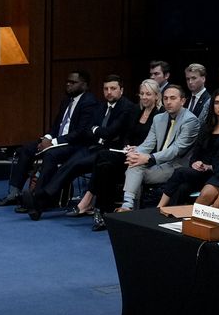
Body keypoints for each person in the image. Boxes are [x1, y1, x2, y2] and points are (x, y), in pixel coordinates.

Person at [24, 75, 137, 217]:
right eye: (106, 89)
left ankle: (39, 200)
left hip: (109, 152)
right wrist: (97, 130)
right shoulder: (102, 106)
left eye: (113, 88)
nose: (109, 92)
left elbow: (110, 132)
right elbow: (88, 130)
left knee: (74, 166)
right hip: (93, 147)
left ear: (121, 90)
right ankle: (40, 201)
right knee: (67, 165)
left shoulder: (127, 107)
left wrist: (96, 130)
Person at [0, 72, 99, 207]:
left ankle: (37, 198)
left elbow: (80, 132)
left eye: (73, 82)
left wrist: (52, 143)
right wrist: (47, 138)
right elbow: (56, 125)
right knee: (27, 149)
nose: (68, 84)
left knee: (51, 154)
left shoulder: (89, 102)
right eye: (67, 81)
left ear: (84, 85)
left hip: (75, 145)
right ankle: (14, 194)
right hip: (57, 141)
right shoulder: (67, 100)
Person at [73, 78, 158, 217]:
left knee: (105, 164)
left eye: (148, 94)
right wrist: (127, 146)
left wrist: (138, 149)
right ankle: (104, 211)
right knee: (104, 159)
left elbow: (156, 142)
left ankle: (95, 206)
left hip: (143, 156)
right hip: (127, 152)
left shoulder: (160, 115)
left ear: (156, 96)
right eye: (142, 94)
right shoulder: (136, 110)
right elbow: (126, 134)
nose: (144, 97)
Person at [118, 83, 199, 212]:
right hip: (159, 163)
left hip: (177, 166)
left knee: (135, 170)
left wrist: (149, 158)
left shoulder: (190, 121)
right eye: (165, 98)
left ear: (183, 101)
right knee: (135, 163)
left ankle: (130, 208)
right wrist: (135, 154)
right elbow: (148, 144)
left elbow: (176, 150)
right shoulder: (158, 118)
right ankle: (128, 206)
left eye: (173, 98)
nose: (168, 102)